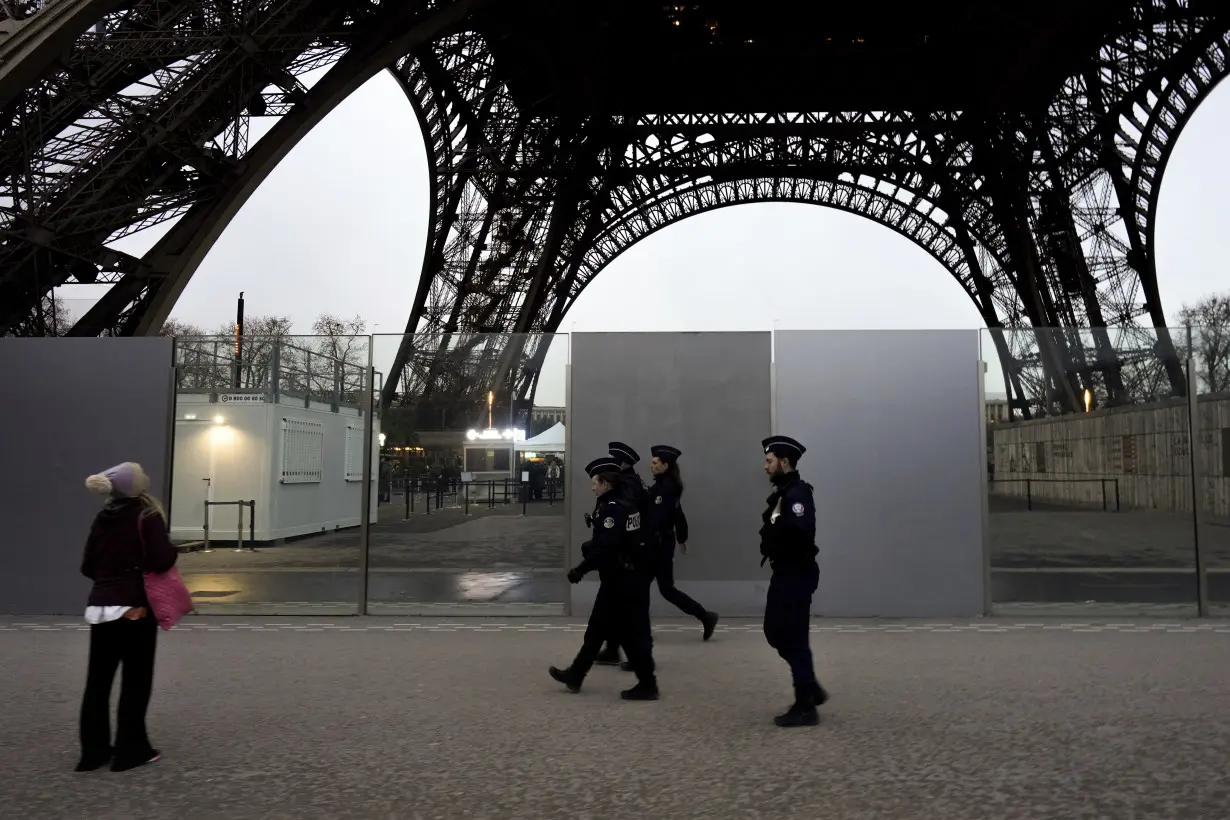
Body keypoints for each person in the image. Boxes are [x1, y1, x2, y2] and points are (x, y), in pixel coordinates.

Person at [76, 462, 178, 771]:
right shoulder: (147, 516)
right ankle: (131, 750)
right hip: (135, 607)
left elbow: (87, 566)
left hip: (101, 606)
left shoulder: (102, 517)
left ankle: (93, 753)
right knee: (135, 680)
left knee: (98, 681)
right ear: (136, 485)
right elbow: (162, 560)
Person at [549, 457, 658, 700]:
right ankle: (576, 674)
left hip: (621, 580)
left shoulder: (612, 508)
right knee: (598, 629)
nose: (592, 487)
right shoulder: (623, 503)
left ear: (606, 483)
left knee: (629, 634)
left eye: (595, 482)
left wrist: (580, 569)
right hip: (626, 577)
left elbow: (606, 548)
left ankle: (648, 684)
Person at [759, 436, 828, 728]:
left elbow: (799, 533)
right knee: (774, 631)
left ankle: (805, 706)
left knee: (795, 638)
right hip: (784, 572)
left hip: (795, 573)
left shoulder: (797, 494)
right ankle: (809, 684)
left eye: (769, 461)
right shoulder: (784, 492)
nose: (765, 466)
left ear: (784, 463)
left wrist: (775, 535)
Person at [634, 445, 718, 651]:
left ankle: (639, 634)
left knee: (643, 588)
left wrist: (641, 540)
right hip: (662, 544)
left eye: (655, 463)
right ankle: (705, 616)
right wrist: (682, 537)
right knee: (665, 590)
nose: (651, 466)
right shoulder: (667, 486)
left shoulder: (664, 490)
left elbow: (657, 519)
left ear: (665, 465)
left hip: (656, 546)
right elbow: (678, 515)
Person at [594, 441, 650, 666]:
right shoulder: (635, 483)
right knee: (619, 606)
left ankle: (637, 659)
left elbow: (623, 519)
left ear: (623, 463)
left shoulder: (627, 485)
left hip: (625, 555)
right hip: (629, 552)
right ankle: (613, 649)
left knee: (627, 608)